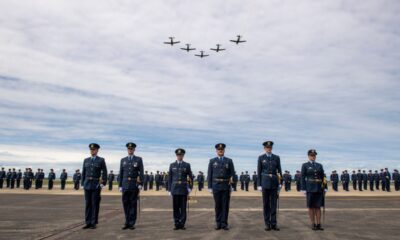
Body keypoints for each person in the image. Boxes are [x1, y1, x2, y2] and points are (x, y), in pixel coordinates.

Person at [208, 143, 235, 230]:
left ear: (224, 150)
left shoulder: (229, 161)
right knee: (217, 205)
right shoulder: (212, 161)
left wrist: (233, 186)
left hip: (226, 186)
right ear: (216, 151)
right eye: (219, 150)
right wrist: (209, 187)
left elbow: (232, 174)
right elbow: (210, 174)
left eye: (222, 150)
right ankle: (218, 223)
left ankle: (224, 224)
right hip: (216, 186)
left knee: (225, 205)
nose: (220, 151)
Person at [81, 143, 108, 229]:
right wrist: (82, 183)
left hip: (96, 184)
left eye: (94, 149)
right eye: (91, 150)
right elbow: (83, 173)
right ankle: (87, 222)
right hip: (87, 184)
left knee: (95, 204)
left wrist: (102, 183)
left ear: (97, 150)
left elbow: (105, 172)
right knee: (88, 204)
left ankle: (93, 222)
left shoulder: (101, 160)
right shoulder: (86, 160)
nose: (92, 151)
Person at [257, 141, 282, 231]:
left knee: (274, 204)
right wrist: (259, 184)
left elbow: (279, 171)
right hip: (265, 183)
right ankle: (267, 223)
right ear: (264, 148)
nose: (269, 149)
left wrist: (280, 183)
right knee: (266, 204)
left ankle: (274, 223)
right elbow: (259, 172)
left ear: (272, 148)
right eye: (267, 147)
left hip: (274, 183)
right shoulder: (261, 158)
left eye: (270, 147)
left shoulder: (276, 158)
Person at [118, 142, 144, 230]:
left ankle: (132, 223)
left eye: (132, 148)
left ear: (134, 149)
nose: (130, 150)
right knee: (125, 204)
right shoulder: (123, 160)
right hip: (125, 185)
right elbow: (121, 173)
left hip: (134, 185)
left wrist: (140, 184)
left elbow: (141, 172)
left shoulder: (138, 159)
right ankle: (126, 222)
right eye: (129, 149)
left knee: (133, 204)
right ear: (127, 149)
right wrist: (120, 185)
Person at [301, 149, 327, 231]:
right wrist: (303, 188)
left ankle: (318, 224)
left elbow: (323, 177)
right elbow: (302, 177)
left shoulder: (320, 165)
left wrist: (325, 187)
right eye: (311, 155)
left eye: (314, 155)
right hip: (310, 188)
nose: (313, 157)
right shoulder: (305, 165)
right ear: (308, 156)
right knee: (311, 207)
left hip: (319, 188)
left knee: (318, 207)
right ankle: (313, 223)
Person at [168, 148, 193, 230]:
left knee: (183, 208)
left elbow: (190, 177)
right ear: (176, 155)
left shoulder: (187, 165)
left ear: (183, 155)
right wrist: (169, 190)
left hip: (183, 189)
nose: (180, 156)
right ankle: (176, 223)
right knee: (175, 208)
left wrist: (190, 188)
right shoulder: (172, 165)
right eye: (178, 155)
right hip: (174, 189)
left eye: (181, 155)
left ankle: (182, 224)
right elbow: (170, 178)